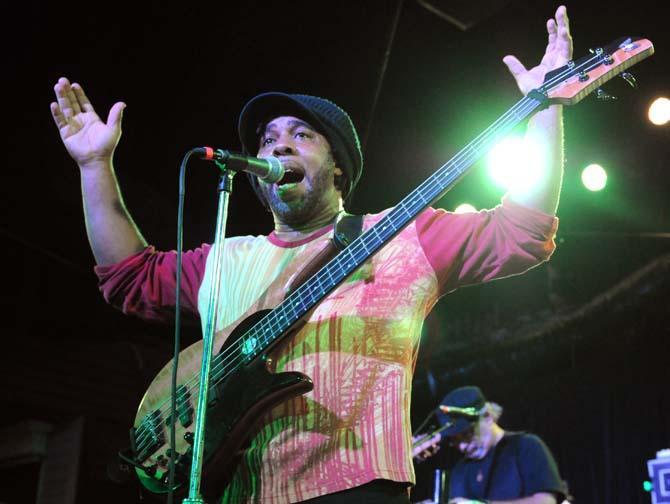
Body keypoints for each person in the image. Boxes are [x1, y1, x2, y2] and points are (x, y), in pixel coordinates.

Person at [49, 6, 572, 503]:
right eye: (268, 139)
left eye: (301, 135)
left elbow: (521, 232)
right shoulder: (225, 261)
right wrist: (95, 165)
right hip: (231, 489)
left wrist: (545, 109)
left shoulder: (402, 236)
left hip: (357, 489)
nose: (278, 147)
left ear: (338, 166)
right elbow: (128, 278)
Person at [438, 386, 569, 504]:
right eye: (454, 440)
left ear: (487, 417)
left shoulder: (526, 447)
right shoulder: (459, 471)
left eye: (467, 434)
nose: (462, 446)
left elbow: (546, 502)